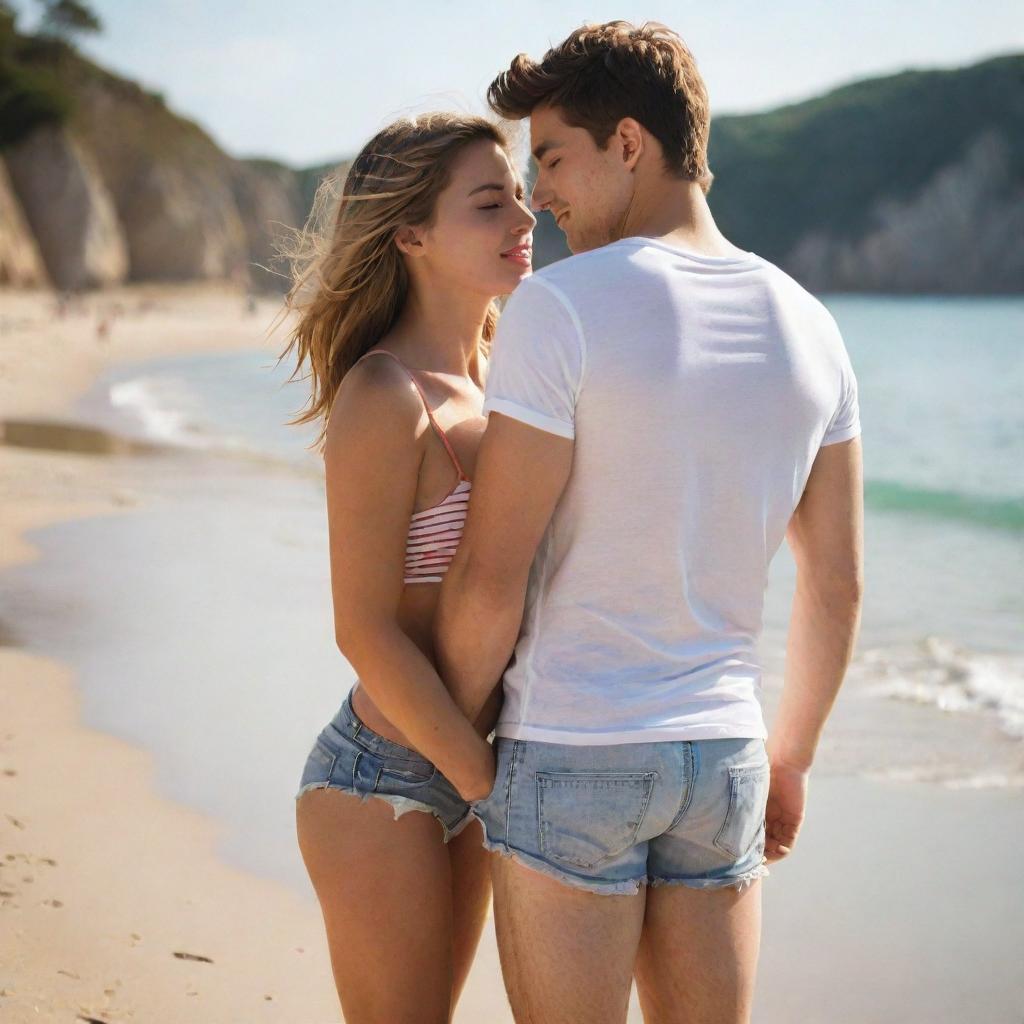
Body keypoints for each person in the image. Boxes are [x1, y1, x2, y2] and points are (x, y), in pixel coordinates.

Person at [416, 20, 864, 1024]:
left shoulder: (561, 306)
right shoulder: (811, 325)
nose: (540, 196)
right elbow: (835, 587)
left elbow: (491, 577)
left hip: (574, 743)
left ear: (629, 142)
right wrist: (789, 758)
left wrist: (442, 736)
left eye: (553, 158)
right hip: (725, 759)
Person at [281, 112, 535, 1022]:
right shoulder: (385, 393)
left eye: (519, 194)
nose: (523, 217)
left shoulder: (514, 376)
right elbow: (362, 627)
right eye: (489, 202)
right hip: (383, 776)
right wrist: (479, 780)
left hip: (480, 762)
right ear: (411, 234)